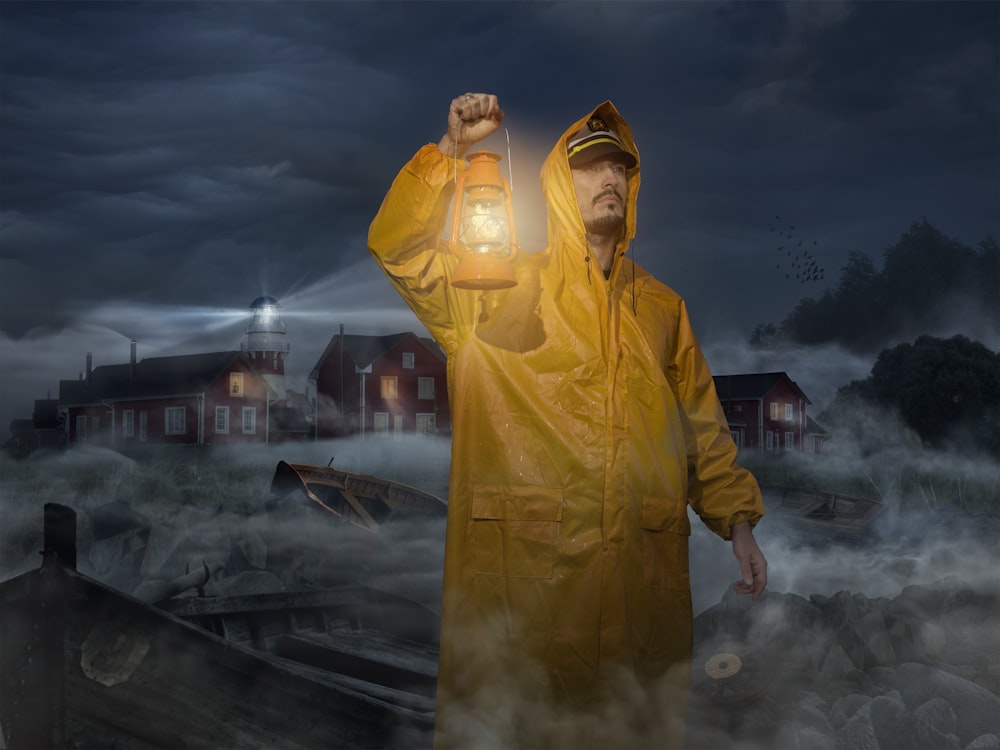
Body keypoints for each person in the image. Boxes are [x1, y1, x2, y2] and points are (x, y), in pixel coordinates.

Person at [368, 93, 767, 749]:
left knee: (629, 727)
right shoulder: (490, 284)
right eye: (591, 167)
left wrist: (739, 524)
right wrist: (451, 154)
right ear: (560, 182)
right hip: (524, 594)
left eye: (620, 168)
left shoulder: (665, 310)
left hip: (640, 584)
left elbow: (699, 428)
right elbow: (397, 246)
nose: (608, 178)